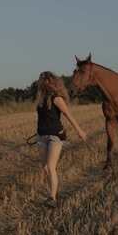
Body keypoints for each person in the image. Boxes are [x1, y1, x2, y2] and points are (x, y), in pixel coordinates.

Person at [35, 71, 87, 207]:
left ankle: (52, 198)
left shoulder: (57, 99)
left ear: (51, 82)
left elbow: (68, 115)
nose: (42, 82)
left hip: (55, 136)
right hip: (41, 136)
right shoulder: (40, 99)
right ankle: (53, 192)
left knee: (51, 167)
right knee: (45, 168)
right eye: (41, 80)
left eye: (45, 80)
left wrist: (79, 130)